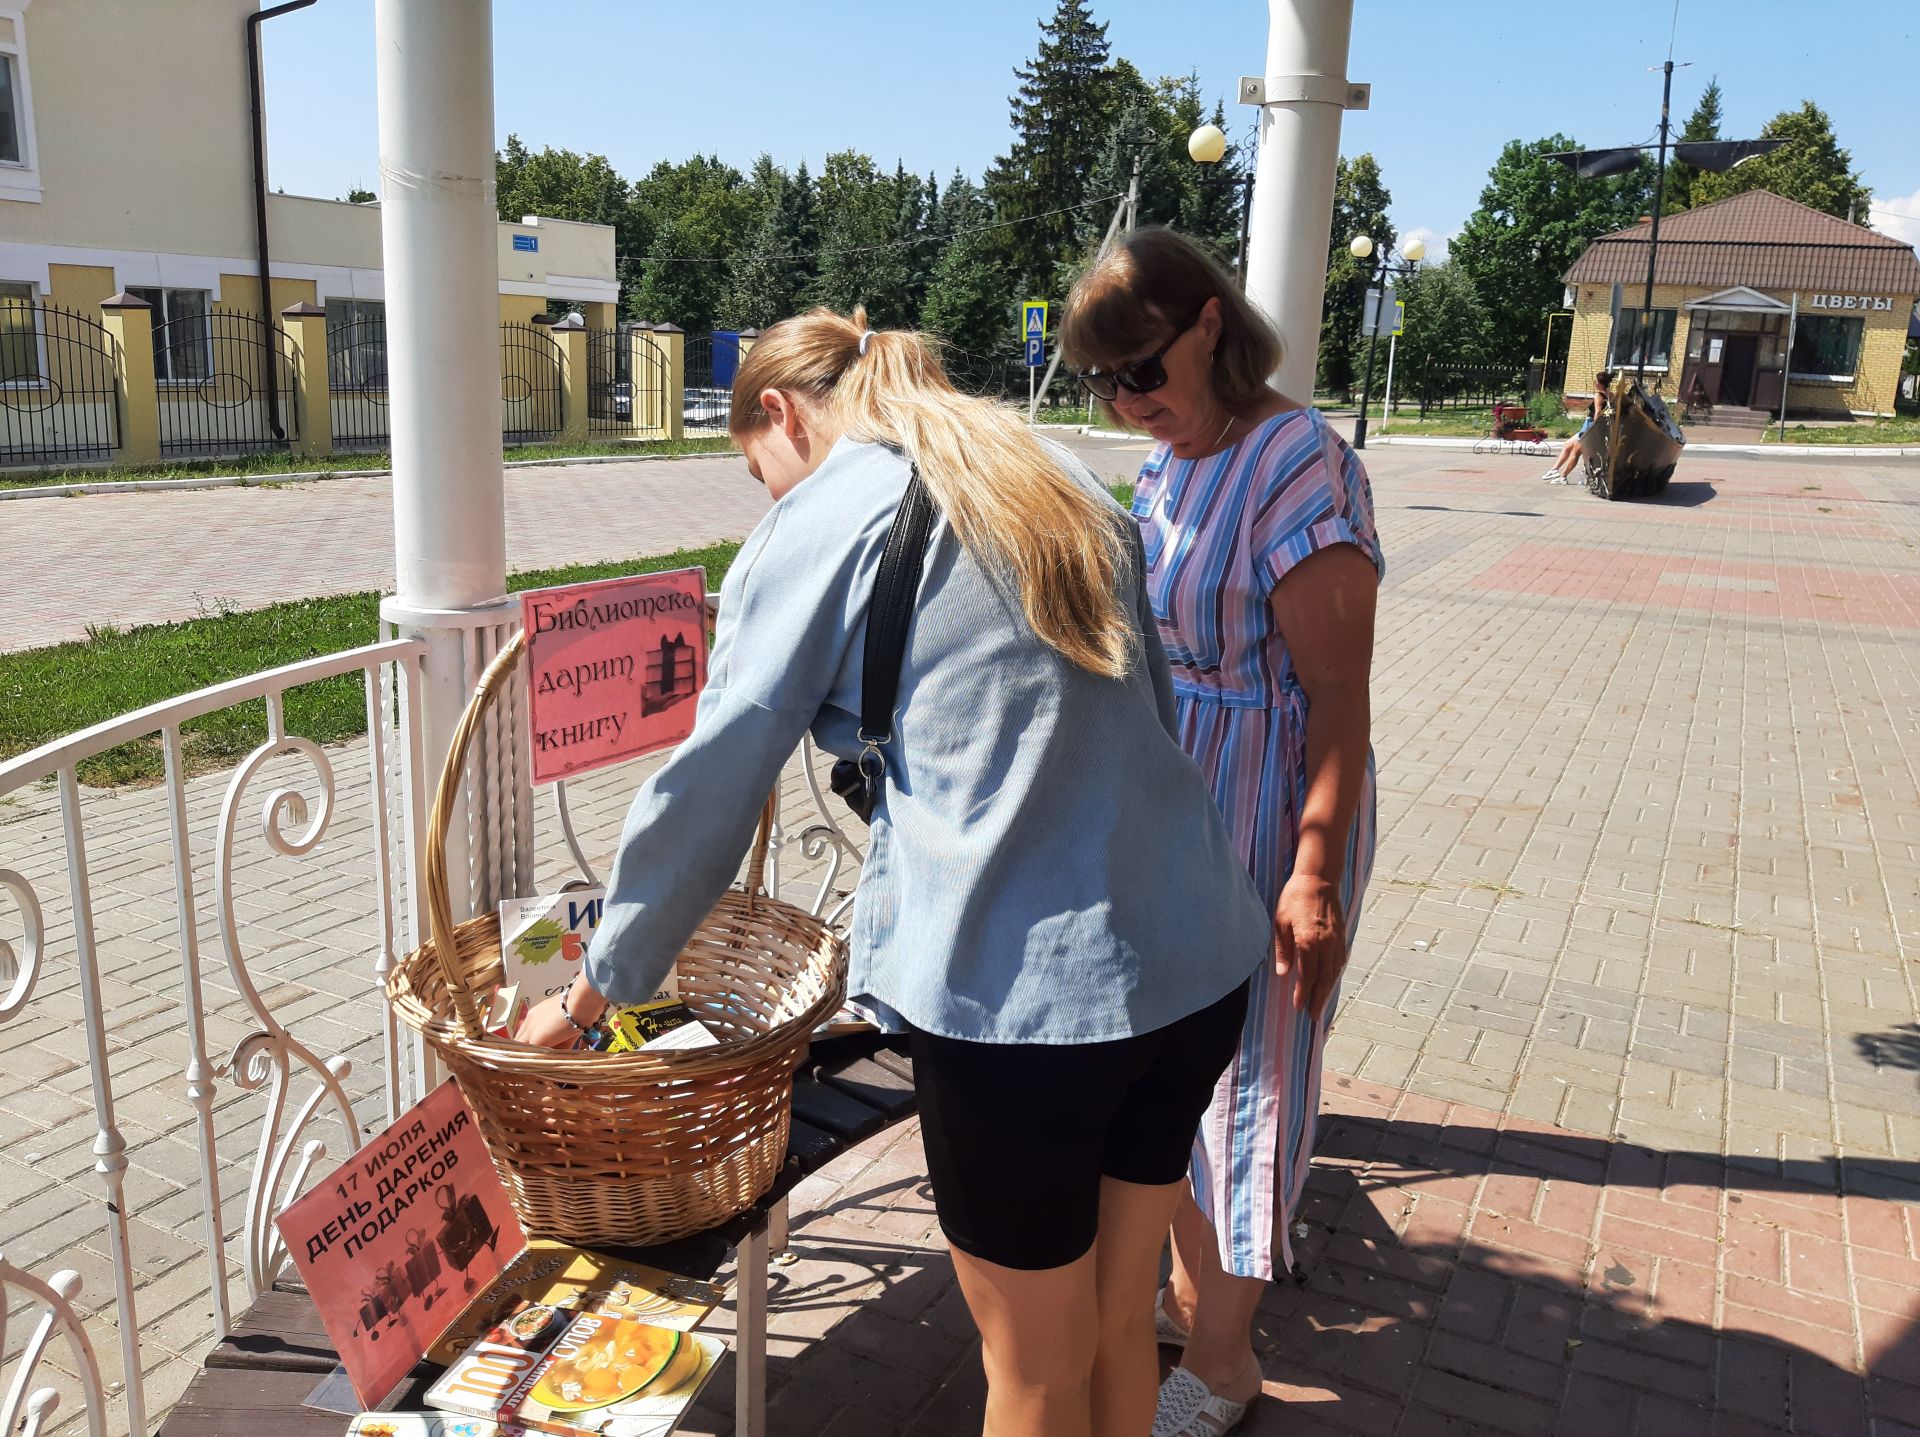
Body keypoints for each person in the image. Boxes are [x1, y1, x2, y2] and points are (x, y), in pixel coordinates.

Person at [518, 305, 1276, 1437]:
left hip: (1028, 1009)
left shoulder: (832, 512)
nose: (769, 497)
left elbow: (713, 785)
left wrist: (591, 997)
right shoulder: (1052, 470)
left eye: (757, 471)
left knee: (1031, 1370)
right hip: (1191, 960)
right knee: (1115, 1327)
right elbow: (1152, 720)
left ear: (777, 412)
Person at [1063, 229, 1381, 1437]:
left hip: (1267, 808)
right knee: (1165, 1070)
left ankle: (1228, 1360)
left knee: (1251, 1078)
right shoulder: (1164, 466)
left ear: (1209, 324)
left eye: (1140, 369)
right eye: (1102, 382)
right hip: (1176, 803)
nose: (1126, 401)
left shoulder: (1297, 461)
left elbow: (1340, 699)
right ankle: (1197, 1300)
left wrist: (1313, 870)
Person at [1544, 370, 1612, 482]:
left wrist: (1594, 429)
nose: (1594, 384)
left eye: (1596, 382)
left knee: (1576, 451)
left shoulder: (1598, 395)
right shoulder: (1610, 394)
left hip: (1590, 426)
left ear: (1600, 384)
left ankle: (1563, 477)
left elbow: (1598, 412)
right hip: (1590, 425)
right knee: (1567, 445)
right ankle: (1554, 470)